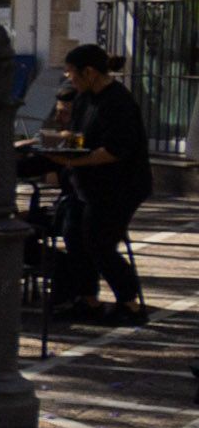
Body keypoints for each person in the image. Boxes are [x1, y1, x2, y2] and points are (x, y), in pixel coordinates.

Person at [55, 42, 152, 323]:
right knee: (74, 235)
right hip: (86, 186)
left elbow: (114, 150)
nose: (68, 77)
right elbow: (81, 136)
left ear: (90, 72)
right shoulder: (84, 98)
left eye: (71, 72)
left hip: (119, 186)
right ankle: (88, 299)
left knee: (99, 241)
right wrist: (58, 144)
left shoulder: (118, 102)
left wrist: (73, 162)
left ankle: (129, 303)